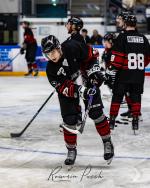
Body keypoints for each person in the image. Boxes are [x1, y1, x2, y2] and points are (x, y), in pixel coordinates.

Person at [41, 35, 114, 166]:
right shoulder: (50, 69)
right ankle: (71, 150)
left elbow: (92, 55)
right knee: (69, 120)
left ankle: (107, 141)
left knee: (96, 113)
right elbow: (63, 87)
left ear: (59, 47)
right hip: (71, 91)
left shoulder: (72, 47)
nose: (51, 56)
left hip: (87, 80)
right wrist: (81, 90)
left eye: (53, 52)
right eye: (48, 54)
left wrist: (94, 72)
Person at [107, 14, 150, 131]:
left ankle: (111, 121)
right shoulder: (144, 38)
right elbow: (147, 58)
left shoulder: (122, 37)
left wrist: (111, 69)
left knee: (117, 96)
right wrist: (138, 67)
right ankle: (135, 121)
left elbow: (117, 58)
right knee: (136, 97)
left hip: (123, 74)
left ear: (125, 24)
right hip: (138, 75)